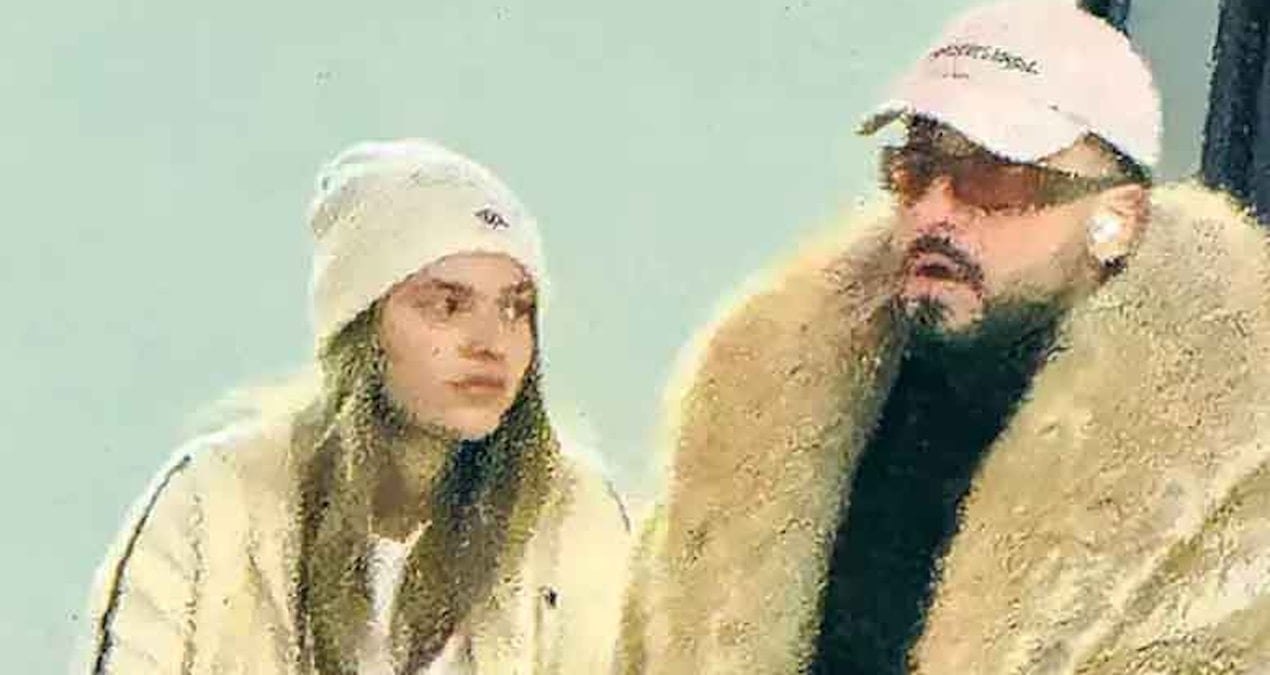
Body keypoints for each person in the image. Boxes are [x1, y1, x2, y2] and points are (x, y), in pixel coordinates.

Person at [617, 2, 1270, 673]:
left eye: (992, 176)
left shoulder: (1232, 469)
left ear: (1116, 219)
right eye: (915, 169)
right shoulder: (754, 410)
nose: (934, 212)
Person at [79, 139, 629, 674]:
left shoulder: (576, 517)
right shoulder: (215, 500)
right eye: (447, 305)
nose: (491, 343)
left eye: (515, 308)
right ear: (361, 327)